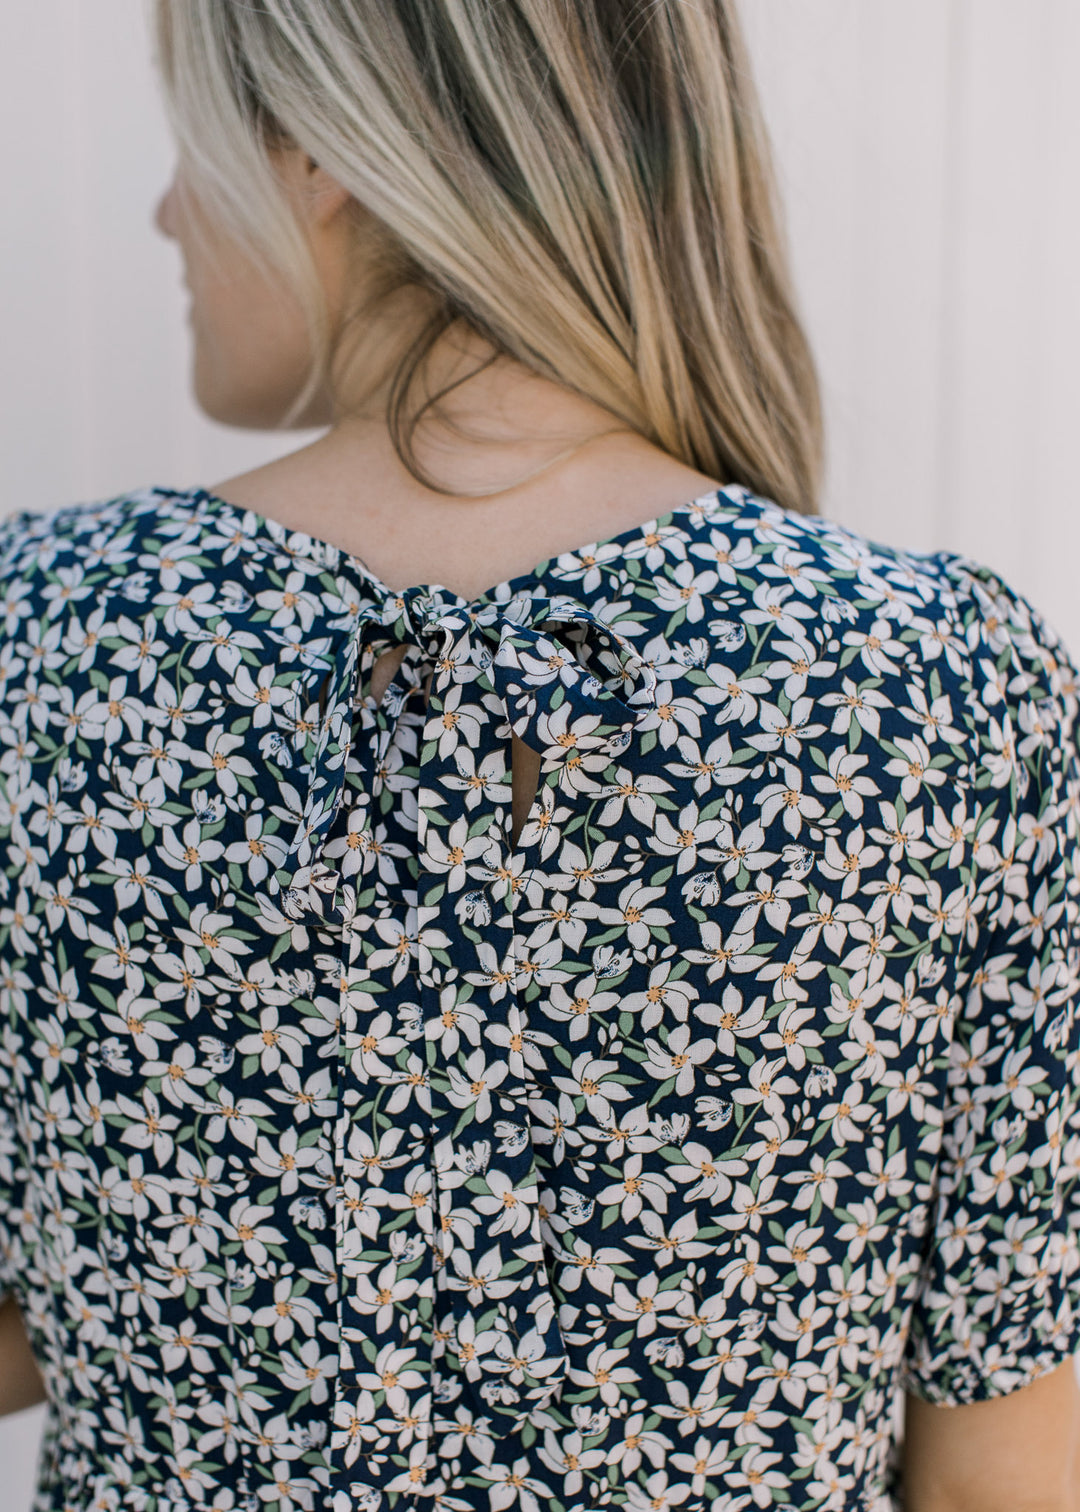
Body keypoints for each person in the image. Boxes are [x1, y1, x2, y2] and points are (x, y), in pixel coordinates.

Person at [1, 2, 1079, 1509]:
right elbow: (1002, 1478)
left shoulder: (47, 645)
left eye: (195, 136)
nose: (170, 207)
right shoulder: (941, 688)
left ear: (316, 151)